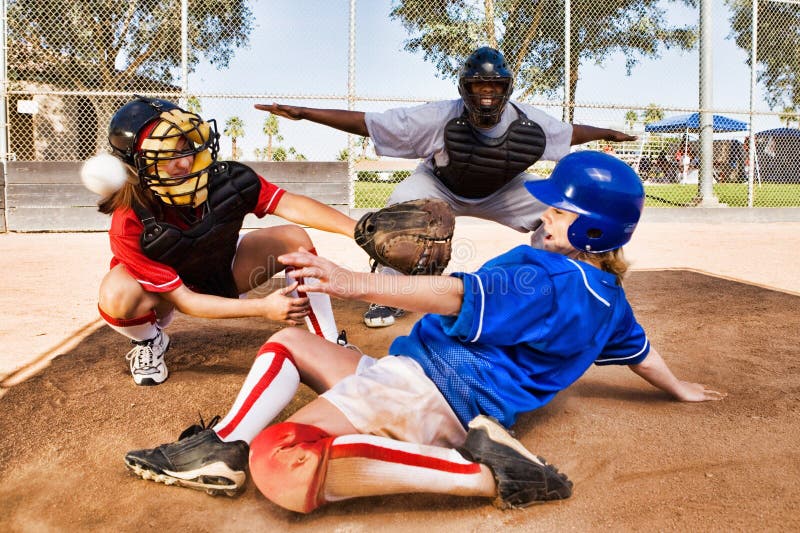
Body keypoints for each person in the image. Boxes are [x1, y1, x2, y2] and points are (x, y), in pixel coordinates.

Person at [124, 151, 725, 513]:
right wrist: (678, 387)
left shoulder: (545, 275)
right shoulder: (609, 298)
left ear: (594, 234)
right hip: (417, 381)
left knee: (281, 461)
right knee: (290, 343)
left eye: (561, 213)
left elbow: (457, 294)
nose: (545, 214)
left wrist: (349, 282)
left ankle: (486, 473)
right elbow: (639, 351)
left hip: (431, 394)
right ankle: (221, 449)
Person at [256, 46, 636, 329]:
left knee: (555, 215)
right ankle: (391, 291)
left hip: (505, 189)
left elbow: (569, 134)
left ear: (507, 88)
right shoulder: (439, 116)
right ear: (464, 88)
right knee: (400, 212)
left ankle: (549, 286)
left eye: (495, 85)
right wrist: (305, 113)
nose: (486, 93)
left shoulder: (528, 121)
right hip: (440, 184)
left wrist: (604, 132)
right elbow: (369, 123)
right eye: (478, 85)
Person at [96, 96, 358, 386]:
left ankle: (330, 342)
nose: (185, 162)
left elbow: (289, 203)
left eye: (186, 147)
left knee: (293, 238)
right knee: (117, 291)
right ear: (135, 167)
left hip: (224, 267)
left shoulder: (225, 179)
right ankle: (148, 341)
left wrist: (357, 229)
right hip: (168, 297)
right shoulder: (129, 222)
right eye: (169, 155)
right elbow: (186, 301)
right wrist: (262, 308)